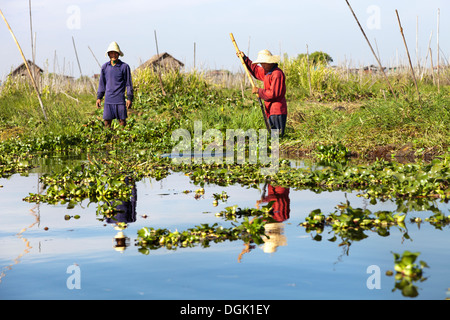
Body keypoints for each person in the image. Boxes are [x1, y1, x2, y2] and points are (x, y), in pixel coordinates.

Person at [237, 49, 288, 136]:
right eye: (261, 63)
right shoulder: (267, 72)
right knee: (273, 135)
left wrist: (259, 91)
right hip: (270, 110)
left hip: (277, 110)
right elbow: (256, 70)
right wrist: (245, 59)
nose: (262, 65)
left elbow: (273, 94)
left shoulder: (277, 74)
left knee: (277, 136)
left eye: (263, 63)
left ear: (270, 62)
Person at [96, 42, 133, 128]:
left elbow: (129, 84)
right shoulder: (105, 67)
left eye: (115, 53)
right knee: (107, 123)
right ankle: (107, 139)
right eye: (111, 53)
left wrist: (129, 98)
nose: (113, 55)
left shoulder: (124, 67)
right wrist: (99, 98)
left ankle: (123, 139)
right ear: (108, 54)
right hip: (108, 100)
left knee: (122, 122)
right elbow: (102, 84)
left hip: (120, 100)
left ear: (118, 54)